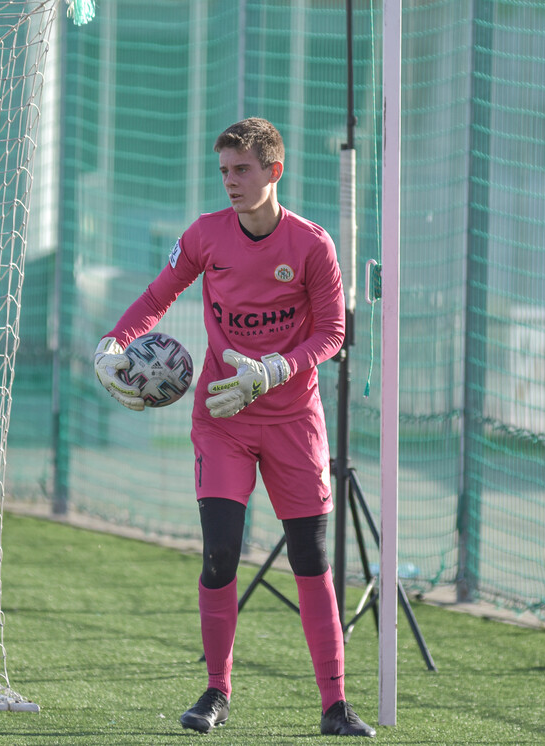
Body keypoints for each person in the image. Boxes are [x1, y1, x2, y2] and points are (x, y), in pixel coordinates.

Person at [93, 118, 375, 738]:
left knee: (310, 558)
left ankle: (334, 704)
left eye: (242, 170)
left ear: (274, 171)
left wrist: (275, 368)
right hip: (221, 415)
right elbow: (157, 296)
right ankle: (217, 690)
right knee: (220, 554)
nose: (230, 182)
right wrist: (116, 340)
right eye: (223, 171)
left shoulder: (312, 245)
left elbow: (332, 333)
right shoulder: (204, 236)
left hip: (293, 420)